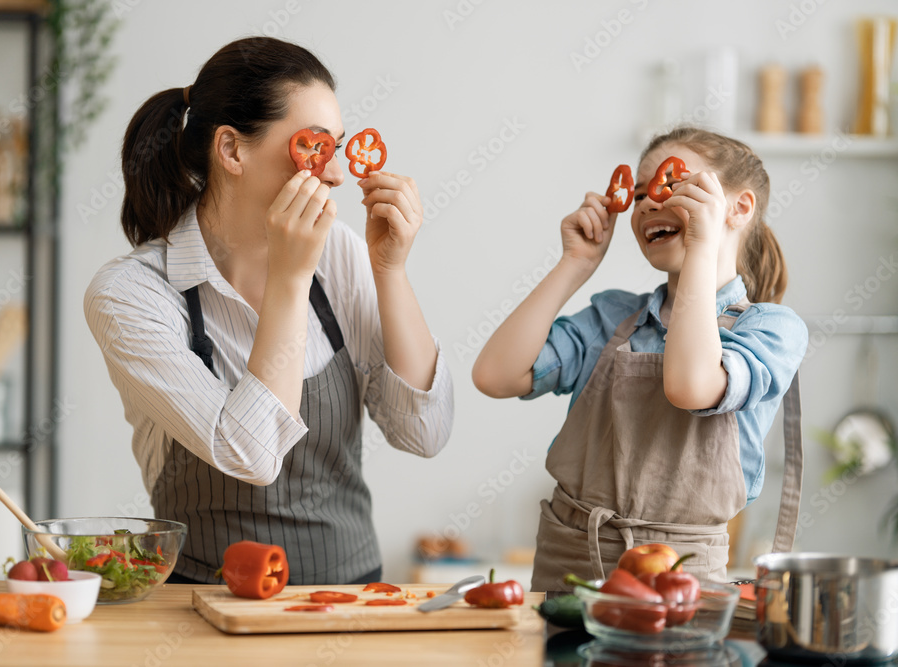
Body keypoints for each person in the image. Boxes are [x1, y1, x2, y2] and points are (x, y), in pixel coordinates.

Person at [84, 37, 453, 585]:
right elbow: (252, 457)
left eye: (340, 147)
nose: (335, 175)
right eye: (315, 147)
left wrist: (390, 270)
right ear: (231, 150)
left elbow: (424, 435)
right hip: (202, 603)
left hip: (349, 597)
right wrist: (290, 276)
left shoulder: (342, 253)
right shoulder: (131, 294)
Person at [472, 126, 807, 588]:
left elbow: (691, 386)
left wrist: (702, 250)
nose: (649, 202)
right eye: (641, 193)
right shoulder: (611, 317)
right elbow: (495, 376)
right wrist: (576, 264)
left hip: (682, 574)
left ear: (739, 208)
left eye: (673, 185)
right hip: (569, 560)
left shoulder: (770, 329)